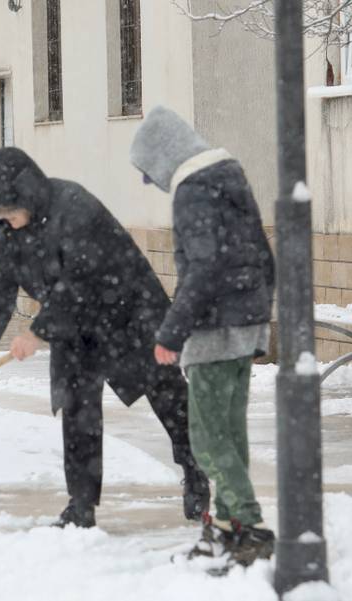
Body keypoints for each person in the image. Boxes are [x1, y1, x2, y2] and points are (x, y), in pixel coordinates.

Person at [0, 147, 210, 528]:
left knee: (168, 397)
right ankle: (81, 505)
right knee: (76, 408)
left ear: (27, 193)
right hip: (72, 327)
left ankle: (196, 471)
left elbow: (82, 281)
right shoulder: (6, 234)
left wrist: (38, 331)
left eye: (9, 212)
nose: (7, 223)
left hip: (130, 313)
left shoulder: (74, 206)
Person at [130, 106, 276, 567]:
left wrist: (172, 332)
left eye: (151, 173)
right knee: (229, 435)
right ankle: (226, 530)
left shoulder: (193, 191)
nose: (154, 184)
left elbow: (202, 268)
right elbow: (263, 255)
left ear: (164, 157)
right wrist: (258, 315)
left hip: (214, 331)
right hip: (243, 323)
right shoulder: (230, 178)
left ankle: (248, 528)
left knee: (209, 441)